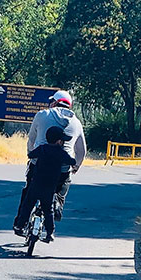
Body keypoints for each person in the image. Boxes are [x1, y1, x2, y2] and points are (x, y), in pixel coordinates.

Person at [13, 90, 86, 234]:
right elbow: (81, 151)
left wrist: (32, 155)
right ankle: (54, 215)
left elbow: (31, 139)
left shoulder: (42, 115)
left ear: (54, 103)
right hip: (61, 171)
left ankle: (20, 224)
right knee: (58, 194)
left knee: (28, 194)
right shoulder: (77, 123)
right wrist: (76, 166)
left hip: (39, 167)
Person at [19, 126, 75, 242]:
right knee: (48, 211)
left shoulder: (42, 149)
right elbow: (71, 161)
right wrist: (73, 162)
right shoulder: (61, 153)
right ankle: (50, 233)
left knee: (27, 205)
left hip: (36, 184)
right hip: (49, 188)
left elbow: (31, 155)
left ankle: (20, 225)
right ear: (59, 141)